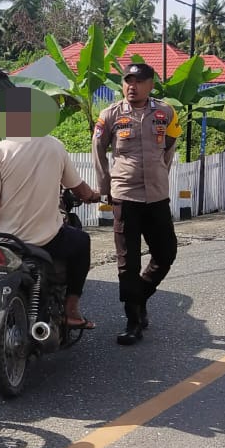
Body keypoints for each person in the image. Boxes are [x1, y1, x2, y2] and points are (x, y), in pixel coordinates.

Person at [0, 87, 100, 373]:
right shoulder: (54, 147)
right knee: (82, 243)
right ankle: (71, 310)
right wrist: (92, 195)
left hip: (3, 241)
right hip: (47, 240)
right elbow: (79, 189)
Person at [92, 62, 182, 346]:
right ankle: (133, 321)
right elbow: (98, 150)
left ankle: (139, 296)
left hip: (157, 196)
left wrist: (160, 173)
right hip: (125, 197)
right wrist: (105, 188)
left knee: (166, 253)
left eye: (139, 81)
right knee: (127, 262)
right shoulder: (110, 115)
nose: (132, 86)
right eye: (128, 81)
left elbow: (169, 147)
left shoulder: (166, 112)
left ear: (151, 85)